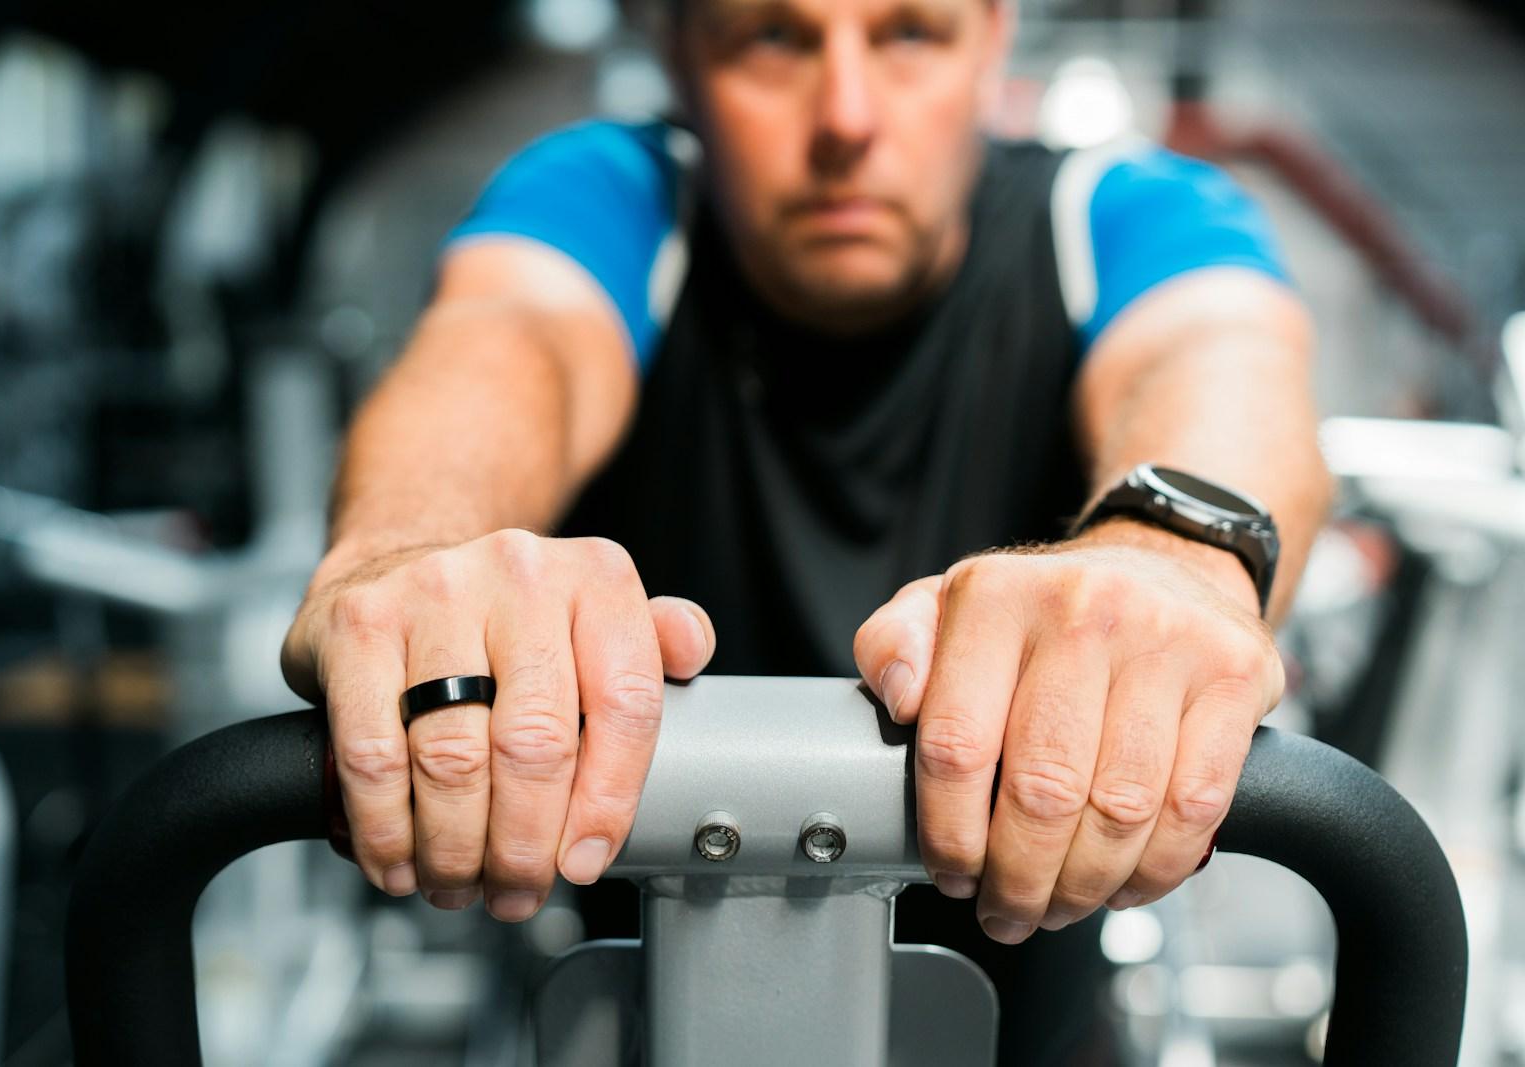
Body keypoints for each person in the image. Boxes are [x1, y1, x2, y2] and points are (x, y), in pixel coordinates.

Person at [281, 0, 1333, 1060]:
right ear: (680, 60)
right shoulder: (617, 195)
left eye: (910, 34)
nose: (846, 116)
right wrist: (408, 549)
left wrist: (1169, 560)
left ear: (991, 44)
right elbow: (510, 339)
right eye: (772, 39)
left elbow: (1215, 356)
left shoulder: (1115, 214)